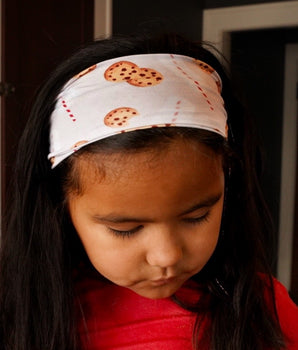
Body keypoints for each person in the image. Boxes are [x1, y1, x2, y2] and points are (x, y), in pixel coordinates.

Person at [0, 33, 297, 350]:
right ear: (61, 204)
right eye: (125, 229)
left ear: (227, 182)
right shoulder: (18, 311)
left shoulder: (263, 306)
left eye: (197, 217)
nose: (167, 256)